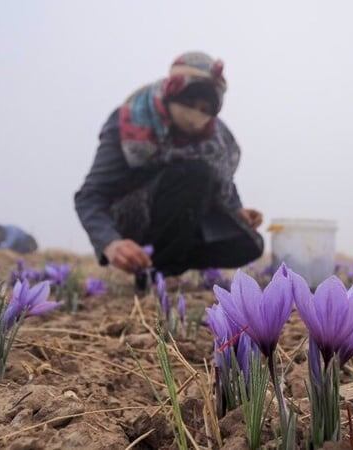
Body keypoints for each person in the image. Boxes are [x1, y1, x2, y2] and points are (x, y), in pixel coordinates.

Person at [74, 51, 264, 284]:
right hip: (135, 218)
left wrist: (236, 209)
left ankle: (166, 267)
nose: (196, 115)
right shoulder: (129, 121)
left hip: (186, 215)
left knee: (249, 243)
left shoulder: (216, 136)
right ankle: (150, 271)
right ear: (172, 92)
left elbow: (221, 178)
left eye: (205, 109)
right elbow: (90, 196)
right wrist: (110, 243)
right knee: (194, 174)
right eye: (189, 102)